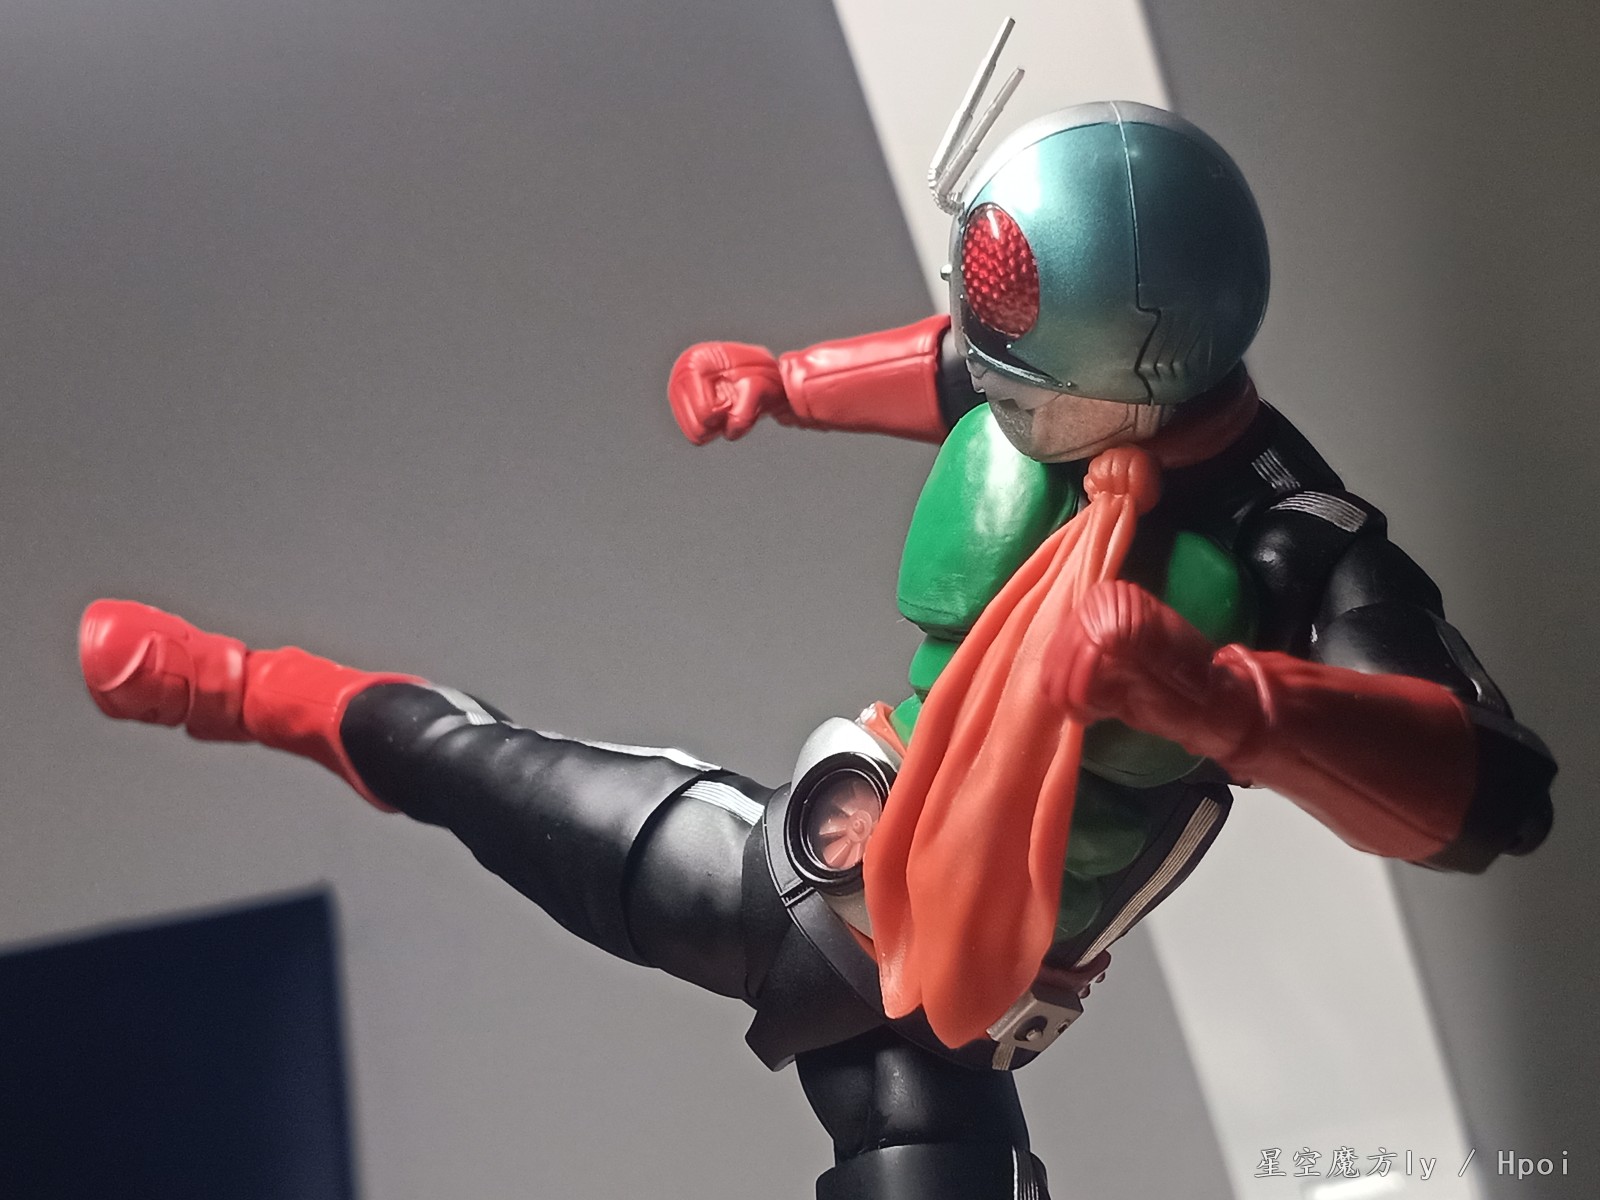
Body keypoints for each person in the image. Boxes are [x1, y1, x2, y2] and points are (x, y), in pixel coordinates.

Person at [77, 89, 1554, 1200]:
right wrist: (785, 381)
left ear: (1140, 363)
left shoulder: (1296, 544)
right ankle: (238, 689)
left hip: (951, 1019)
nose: (983, 382)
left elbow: (1495, 794)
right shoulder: (1045, 384)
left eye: (1019, 375)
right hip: (812, 846)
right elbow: (948, 370)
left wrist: (1235, 706)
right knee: (474, 766)